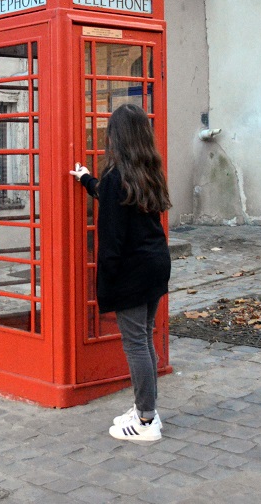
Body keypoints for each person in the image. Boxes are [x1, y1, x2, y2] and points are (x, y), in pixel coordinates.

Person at [69, 103, 171, 442]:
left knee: (136, 343)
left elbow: (111, 241)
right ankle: (146, 409)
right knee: (144, 338)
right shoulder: (148, 173)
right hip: (156, 265)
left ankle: (145, 420)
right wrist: (87, 180)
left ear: (117, 137)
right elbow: (111, 195)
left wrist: (105, 284)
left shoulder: (117, 178)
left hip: (132, 271)